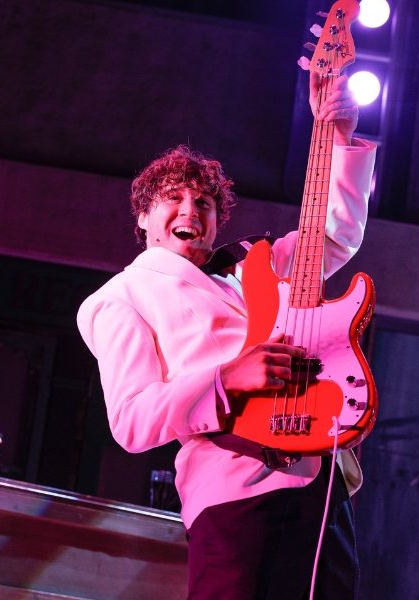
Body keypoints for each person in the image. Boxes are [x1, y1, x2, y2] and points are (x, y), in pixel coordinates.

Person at [77, 73, 376, 599]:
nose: (192, 210)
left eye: (205, 203)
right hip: (232, 490)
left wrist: (337, 136)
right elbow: (130, 421)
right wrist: (227, 380)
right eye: (174, 199)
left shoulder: (254, 264)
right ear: (144, 216)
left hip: (318, 481)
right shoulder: (120, 297)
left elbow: (333, 233)